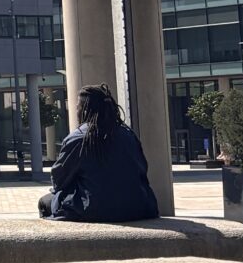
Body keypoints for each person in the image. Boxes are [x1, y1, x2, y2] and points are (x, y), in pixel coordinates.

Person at [38, 83, 159, 223]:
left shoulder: (78, 138)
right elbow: (142, 170)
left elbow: (59, 180)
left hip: (93, 209)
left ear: (84, 110)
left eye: (77, 107)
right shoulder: (128, 135)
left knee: (45, 202)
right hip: (139, 207)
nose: (76, 110)